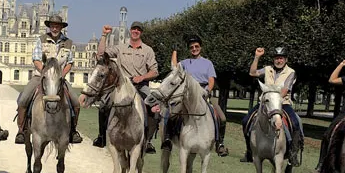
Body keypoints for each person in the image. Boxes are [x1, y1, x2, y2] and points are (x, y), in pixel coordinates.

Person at [91, 21, 159, 153]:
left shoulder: (147, 50)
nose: (136, 31)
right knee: (104, 104)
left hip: (140, 85)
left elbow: (154, 71)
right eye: (134, 29)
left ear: (141, 32)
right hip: (122, 86)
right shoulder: (121, 48)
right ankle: (101, 137)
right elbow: (101, 54)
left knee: (154, 107)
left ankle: (148, 141)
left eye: (138, 30)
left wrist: (142, 77)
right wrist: (104, 35)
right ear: (130, 31)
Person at [14, 14, 83, 145]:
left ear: (61, 27)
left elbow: (70, 62)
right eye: (52, 26)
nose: (54, 28)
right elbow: (36, 59)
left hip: (59, 79)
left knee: (75, 102)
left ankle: (73, 130)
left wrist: (61, 75)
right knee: (23, 99)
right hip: (40, 77)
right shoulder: (41, 39)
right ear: (49, 27)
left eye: (57, 26)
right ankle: (21, 131)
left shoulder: (67, 43)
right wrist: (45, 73)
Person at [158, 35, 228, 156]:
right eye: (191, 47)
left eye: (196, 46)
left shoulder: (208, 63)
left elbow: (211, 80)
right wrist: (174, 51)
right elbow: (174, 68)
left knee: (221, 117)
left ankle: (219, 143)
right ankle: (168, 139)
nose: (194, 49)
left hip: (204, 92)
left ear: (200, 48)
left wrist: (207, 91)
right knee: (172, 113)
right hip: (187, 95)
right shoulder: (184, 63)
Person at [240, 47, 303, 166]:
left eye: (281, 58)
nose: (279, 61)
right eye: (276, 58)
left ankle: (292, 153)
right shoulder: (267, 69)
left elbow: (285, 90)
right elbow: (252, 73)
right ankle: (249, 151)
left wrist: (275, 99)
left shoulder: (291, 72)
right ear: (273, 60)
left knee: (295, 123)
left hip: (283, 103)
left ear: (285, 60)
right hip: (265, 103)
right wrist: (257, 57)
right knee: (245, 121)